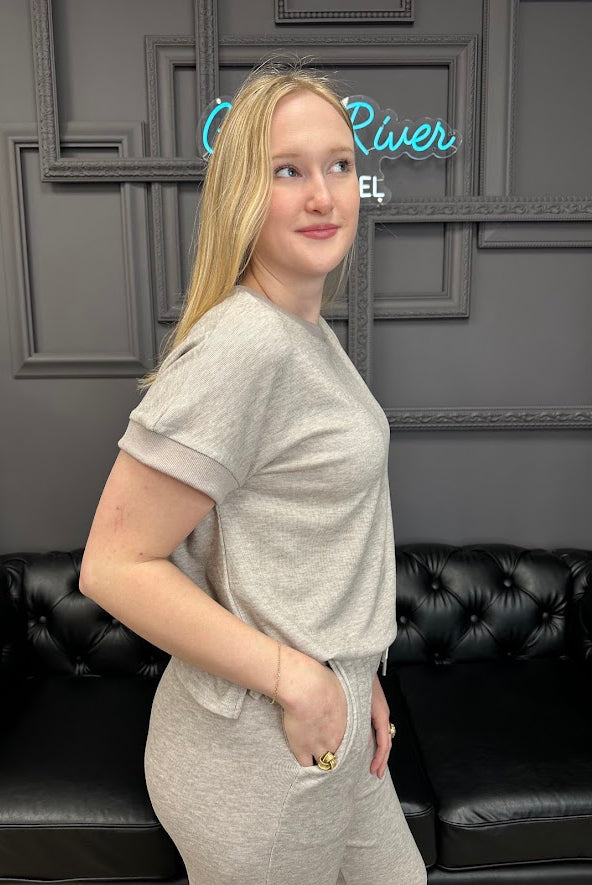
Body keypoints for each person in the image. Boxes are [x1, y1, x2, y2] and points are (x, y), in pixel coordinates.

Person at [80, 58, 427, 885]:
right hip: (261, 759)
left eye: (339, 165)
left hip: (332, 725)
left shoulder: (306, 331)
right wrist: (300, 679)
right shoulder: (246, 344)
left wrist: (359, 672)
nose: (323, 194)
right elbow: (114, 564)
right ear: (245, 192)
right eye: (288, 171)